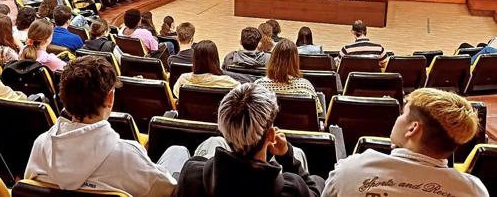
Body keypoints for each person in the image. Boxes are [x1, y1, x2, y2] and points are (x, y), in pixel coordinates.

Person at [25, 56, 187, 195]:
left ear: (63, 97)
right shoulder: (127, 156)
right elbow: (167, 190)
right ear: (110, 98)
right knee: (178, 151)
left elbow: (28, 187)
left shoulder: (41, 144)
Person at [322, 88, 488, 197]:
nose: (398, 118)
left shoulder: (350, 170)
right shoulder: (473, 191)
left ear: (413, 128)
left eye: (403, 113)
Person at [174, 83, 324, 197]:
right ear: (271, 136)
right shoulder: (293, 188)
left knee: (212, 142)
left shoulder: (190, 174)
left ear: (225, 130)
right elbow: (316, 190)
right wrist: (287, 156)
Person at [255, 39, 323, 114]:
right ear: (295, 61)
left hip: (267, 125)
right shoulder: (306, 87)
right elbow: (319, 113)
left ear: (272, 58)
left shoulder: (258, 86)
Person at [173, 40, 239, 98]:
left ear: (195, 59)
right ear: (215, 59)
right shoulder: (229, 82)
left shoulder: (183, 79)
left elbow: (176, 95)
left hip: (191, 112)